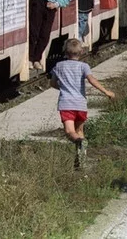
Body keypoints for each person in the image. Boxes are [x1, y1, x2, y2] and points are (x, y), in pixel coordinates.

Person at [50, 38, 115, 168]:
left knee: (70, 132)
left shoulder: (59, 66)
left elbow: (52, 83)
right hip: (80, 104)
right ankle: (81, 161)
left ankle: (80, 143)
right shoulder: (84, 66)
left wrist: (62, 87)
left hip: (66, 104)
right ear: (81, 52)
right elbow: (91, 80)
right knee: (79, 131)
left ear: (65, 52)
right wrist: (106, 92)